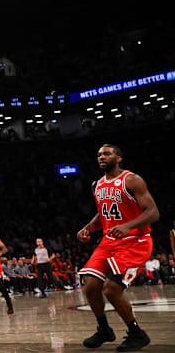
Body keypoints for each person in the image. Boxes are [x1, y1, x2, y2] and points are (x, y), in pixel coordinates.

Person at [77, 144, 159, 351]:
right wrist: (88, 228)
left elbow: (153, 212)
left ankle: (136, 333)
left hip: (135, 242)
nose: (101, 157)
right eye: (98, 155)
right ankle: (104, 329)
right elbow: (103, 214)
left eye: (106, 153)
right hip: (108, 241)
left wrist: (128, 226)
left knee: (112, 290)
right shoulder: (97, 184)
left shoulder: (131, 180)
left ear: (119, 158)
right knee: (90, 285)